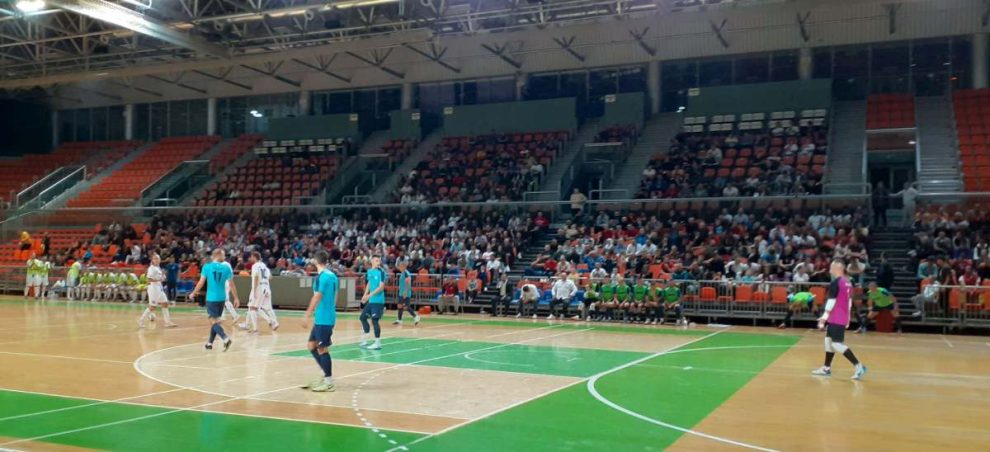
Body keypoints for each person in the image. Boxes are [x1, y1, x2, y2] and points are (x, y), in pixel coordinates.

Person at [812, 259, 867, 380]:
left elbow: (831, 301)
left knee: (836, 344)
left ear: (838, 268)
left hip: (836, 317)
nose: (830, 269)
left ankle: (859, 366)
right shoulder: (848, 282)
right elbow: (849, 302)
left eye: (832, 267)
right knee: (828, 341)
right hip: (840, 317)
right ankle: (826, 368)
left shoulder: (836, 282)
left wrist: (823, 318)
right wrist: (847, 318)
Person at [300, 250, 338, 393]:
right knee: (312, 345)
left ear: (316, 261)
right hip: (324, 317)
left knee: (322, 348)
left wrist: (307, 315)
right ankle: (325, 374)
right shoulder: (332, 276)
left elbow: (317, 296)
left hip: (324, 318)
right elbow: (335, 296)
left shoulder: (323, 277)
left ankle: (329, 382)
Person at [190, 249, 238, 352]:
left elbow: (201, 282)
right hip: (222, 298)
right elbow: (232, 285)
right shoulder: (226, 268)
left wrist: (193, 293)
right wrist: (236, 298)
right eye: (223, 255)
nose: (224, 257)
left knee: (213, 321)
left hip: (211, 298)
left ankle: (225, 339)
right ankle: (209, 343)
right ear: (218, 255)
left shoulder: (207, 267)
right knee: (215, 322)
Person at [239, 251, 279, 333]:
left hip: (259, 288)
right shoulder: (264, 266)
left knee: (252, 307)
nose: (250, 258)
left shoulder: (255, 266)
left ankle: (257, 328)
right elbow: (270, 277)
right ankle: (274, 322)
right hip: (266, 287)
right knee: (268, 308)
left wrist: (254, 290)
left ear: (254, 257)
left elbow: (256, 277)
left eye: (251, 257)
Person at [139, 253, 176, 328]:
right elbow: (148, 279)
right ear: (152, 260)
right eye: (155, 258)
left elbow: (162, 277)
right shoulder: (151, 268)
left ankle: (167, 322)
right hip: (153, 289)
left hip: (159, 288)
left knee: (165, 304)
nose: (157, 260)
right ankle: (141, 320)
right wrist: (159, 279)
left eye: (158, 258)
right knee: (152, 306)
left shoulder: (158, 268)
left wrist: (163, 277)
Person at [359, 256, 387, 350]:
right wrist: (365, 295)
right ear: (372, 261)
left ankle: (377, 343)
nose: (378, 262)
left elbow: (381, 287)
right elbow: (369, 283)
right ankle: (366, 337)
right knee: (362, 317)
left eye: (379, 260)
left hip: (378, 301)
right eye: (376, 260)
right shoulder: (369, 271)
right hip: (371, 301)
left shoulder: (381, 272)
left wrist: (369, 295)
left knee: (374, 320)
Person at [393, 260, 420, 325]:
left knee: (406, 307)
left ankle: (416, 316)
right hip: (401, 292)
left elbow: (408, 282)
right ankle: (399, 320)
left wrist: (405, 291)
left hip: (405, 293)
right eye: (399, 266)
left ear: (404, 266)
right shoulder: (403, 273)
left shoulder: (406, 273)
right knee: (400, 306)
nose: (399, 267)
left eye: (400, 266)